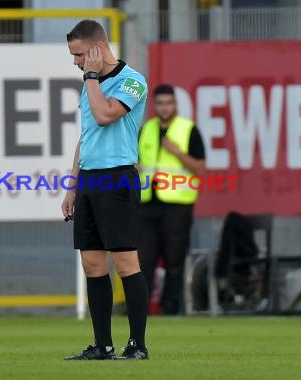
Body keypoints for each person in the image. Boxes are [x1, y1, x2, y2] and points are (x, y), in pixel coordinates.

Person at [61, 19, 149, 360]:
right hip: (90, 181)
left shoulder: (131, 80)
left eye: (79, 54)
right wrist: (72, 186)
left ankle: (138, 345)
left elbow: (104, 116)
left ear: (98, 49)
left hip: (117, 178)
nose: (75, 62)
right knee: (93, 265)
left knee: (126, 263)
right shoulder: (90, 84)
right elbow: (87, 138)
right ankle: (102, 345)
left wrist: (92, 77)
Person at [137, 84, 206, 315]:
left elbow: (200, 169)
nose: (165, 108)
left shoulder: (188, 130)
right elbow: (139, 162)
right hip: (148, 202)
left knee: (173, 260)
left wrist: (177, 152)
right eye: (160, 103)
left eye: (169, 103)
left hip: (177, 204)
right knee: (143, 258)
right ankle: (140, 309)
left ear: (175, 104)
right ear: (154, 105)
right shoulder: (146, 129)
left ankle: (170, 308)